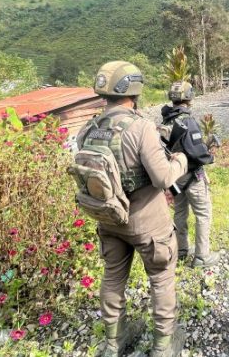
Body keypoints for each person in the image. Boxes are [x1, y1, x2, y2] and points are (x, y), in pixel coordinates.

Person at [75, 61, 189, 357]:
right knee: (161, 280)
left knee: (112, 277)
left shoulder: (89, 128)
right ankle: (163, 345)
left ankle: (114, 342)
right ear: (134, 91)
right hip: (147, 222)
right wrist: (181, 160)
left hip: (109, 218)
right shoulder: (140, 127)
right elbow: (162, 177)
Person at [159, 80, 220, 268]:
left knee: (180, 213)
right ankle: (202, 256)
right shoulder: (188, 121)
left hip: (174, 177)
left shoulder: (166, 119)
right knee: (203, 213)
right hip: (193, 176)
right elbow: (196, 152)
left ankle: (182, 250)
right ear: (189, 97)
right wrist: (209, 156)